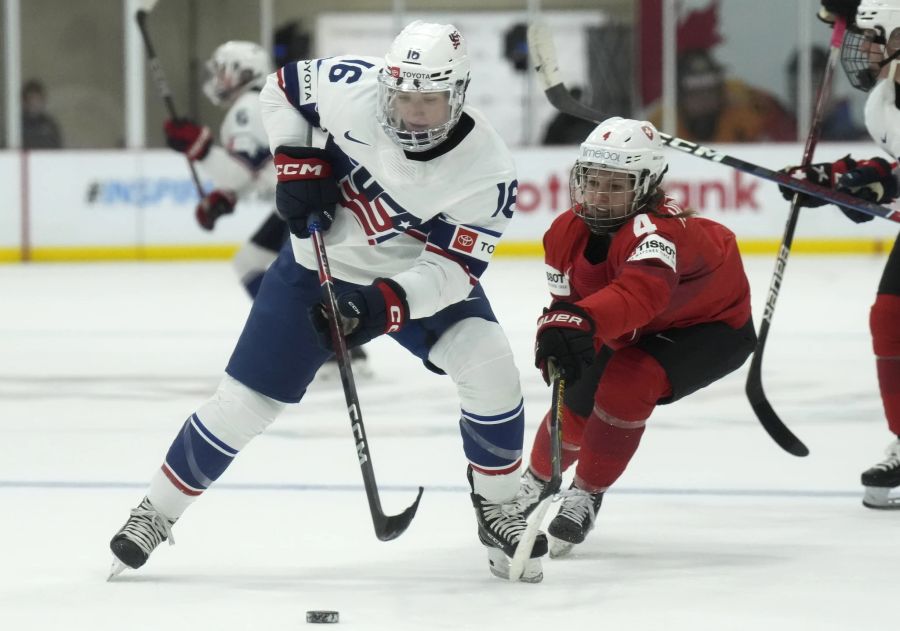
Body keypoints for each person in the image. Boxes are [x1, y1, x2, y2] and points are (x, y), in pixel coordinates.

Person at [108, 20, 548, 582]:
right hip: (311, 268)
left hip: (409, 280)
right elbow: (282, 88)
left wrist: (382, 304)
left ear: (459, 95)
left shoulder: (489, 171)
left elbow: (454, 270)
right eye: (403, 98)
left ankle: (497, 508)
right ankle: (156, 511)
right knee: (242, 405)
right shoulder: (354, 88)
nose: (412, 114)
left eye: (430, 102)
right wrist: (296, 159)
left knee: (489, 363)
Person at [513, 117, 757, 557]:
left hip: (710, 328)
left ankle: (586, 493)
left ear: (646, 185)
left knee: (630, 380)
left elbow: (639, 296)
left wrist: (580, 324)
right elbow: (569, 307)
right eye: (592, 181)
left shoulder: (660, 232)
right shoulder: (562, 233)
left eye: (616, 184)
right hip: (632, 325)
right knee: (577, 399)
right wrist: (559, 332)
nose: (600, 195)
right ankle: (533, 481)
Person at [162, 40, 369, 375]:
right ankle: (339, 345)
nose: (216, 78)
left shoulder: (246, 107)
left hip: (306, 201)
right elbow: (260, 169)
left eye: (221, 70)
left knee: (285, 272)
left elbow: (239, 171)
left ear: (239, 72)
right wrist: (225, 197)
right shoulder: (268, 100)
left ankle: (331, 345)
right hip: (314, 195)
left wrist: (199, 149)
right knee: (261, 264)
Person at [778, 0, 900, 509]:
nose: (864, 49)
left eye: (872, 37)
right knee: (890, 318)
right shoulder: (885, 100)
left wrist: (872, 188)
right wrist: (836, 178)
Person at [647, 1, 796, 142]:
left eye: (709, 89)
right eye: (695, 92)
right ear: (680, 95)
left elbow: (790, 140)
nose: (704, 98)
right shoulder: (660, 123)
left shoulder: (751, 105)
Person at [786, 45, 868, 141]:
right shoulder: (779, 139)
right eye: (794, 87)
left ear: (833, 85)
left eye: (814, 85)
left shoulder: (862, 143)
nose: (802, 95)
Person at [21, 79, 63, 149]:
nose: (34, 103)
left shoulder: (49, 125)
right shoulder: (16, 125)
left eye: (37, 99)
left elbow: (58, 149)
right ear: (24, 101)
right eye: (31, 99)